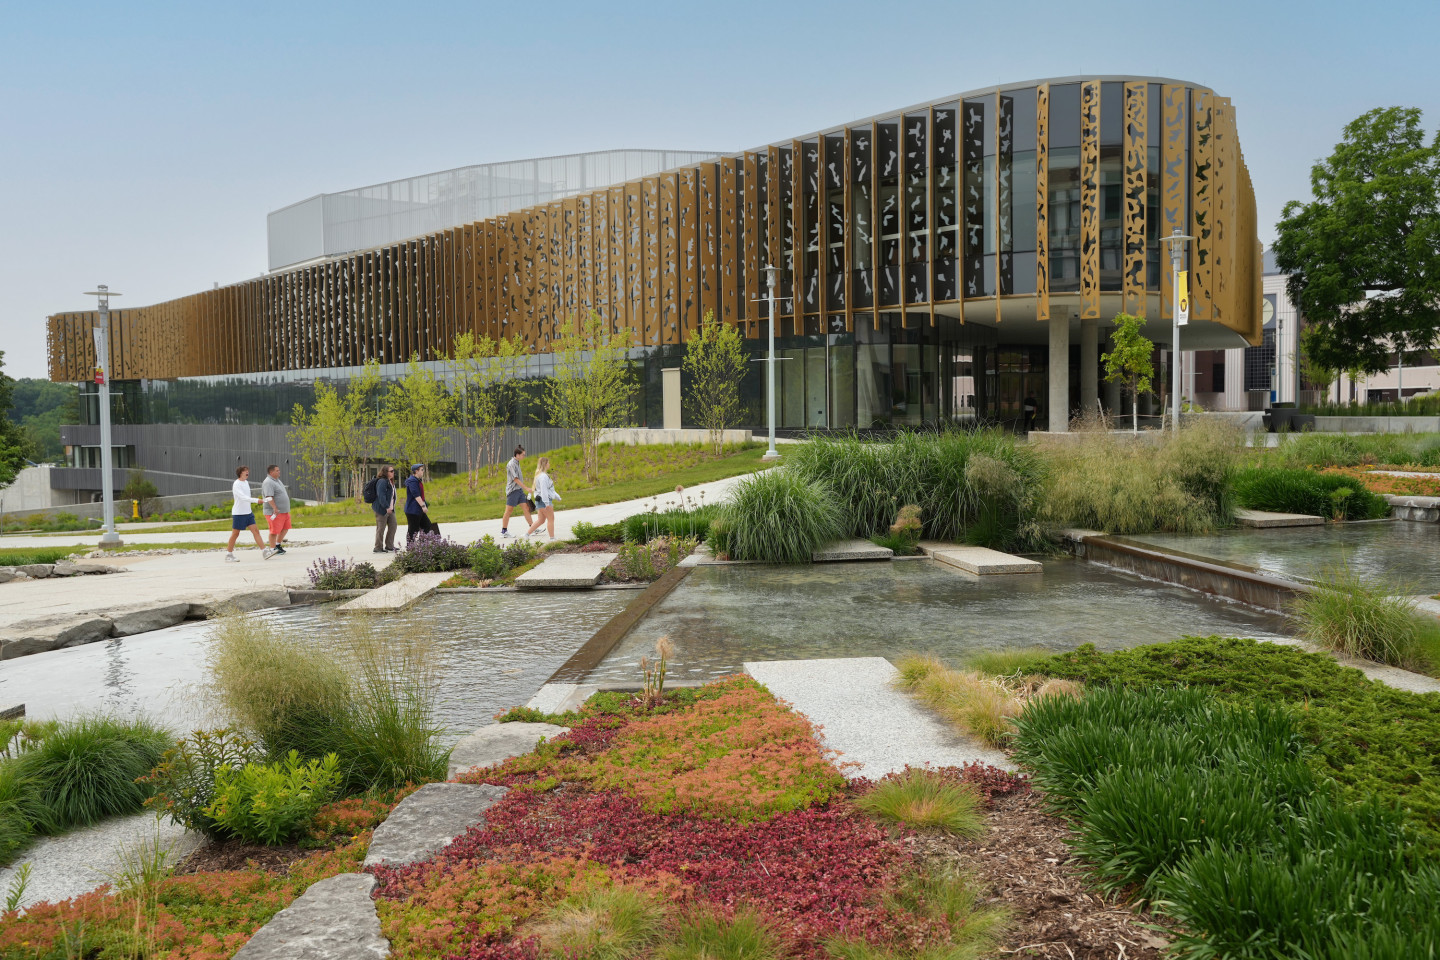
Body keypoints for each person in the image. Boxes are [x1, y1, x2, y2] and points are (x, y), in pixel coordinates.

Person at [226, 465, 274, 561]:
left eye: (248, 470)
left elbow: (247, 497)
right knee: (235, 534)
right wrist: (257, 500)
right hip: (239, 514)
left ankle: (265, 551)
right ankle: (229, 555)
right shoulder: (236, 484)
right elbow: (243, 497)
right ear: (240, 473)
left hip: (248, 513)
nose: (247, 472)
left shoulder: (246, 482)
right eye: (245, 471)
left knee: (256, 531)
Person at [499, 445, 535, 538]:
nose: (524, 456)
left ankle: (533, 528)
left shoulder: (517, 462)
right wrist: (526, 488)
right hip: (513, 491)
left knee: (526, 508)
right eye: (523, 455)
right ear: (517, 455)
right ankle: (504, 531)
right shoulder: (511, 464)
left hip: (519, 490)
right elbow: (515, 479)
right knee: (508, 511)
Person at [525, 456, 562, 540]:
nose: (549, 464)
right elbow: (544, 491)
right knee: (551, 519)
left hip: (540, 500)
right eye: (548, 462)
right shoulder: (543, 477)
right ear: (545, 464)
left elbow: (549, 490)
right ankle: (552, 538)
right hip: (544, 501)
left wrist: (557, 497)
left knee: (541, 520)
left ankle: (526, 535)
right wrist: (546, 503)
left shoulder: (541, 476)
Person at [403, 463, 439, 543]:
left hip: (418, 510)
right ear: (416, 471)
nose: (423, 471)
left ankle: (422, 545)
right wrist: (423, 506)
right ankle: (410, 548)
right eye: (422, 470)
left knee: (427, 526)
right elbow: (416, 495)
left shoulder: (416, 480)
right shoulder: (412, 481)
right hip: (413, 510)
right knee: (413, 530)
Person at [261, 464, 291, 555]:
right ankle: (272, 548)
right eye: (277, 470)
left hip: (284, 511)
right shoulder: (268, 482)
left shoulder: (277, 480)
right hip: (274, 512)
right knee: (274, 531)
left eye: (279, 470)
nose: (279, 472)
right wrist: (275, 508)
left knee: (285, 528)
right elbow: (269, 496)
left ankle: (277, 545)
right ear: (271, 472)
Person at [372, 465, 398, 553]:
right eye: (391, 471)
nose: (393, 472)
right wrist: (386, 506)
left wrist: (390, 507)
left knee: (393, 525)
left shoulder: (390, 481)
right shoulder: (382, 482)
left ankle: (389, 546)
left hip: (390, 509)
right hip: (382, 509)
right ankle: (378, 547)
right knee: (381, 528)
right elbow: (381, 495)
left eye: (393, 471)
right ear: (385, 472)